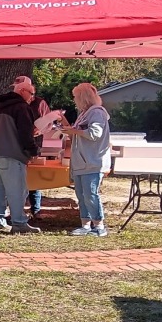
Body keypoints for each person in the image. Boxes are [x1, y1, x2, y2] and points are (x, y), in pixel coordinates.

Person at [0, 75, 41, 234]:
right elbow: (24, 134)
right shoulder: (22, 108)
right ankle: (19, 222)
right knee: (17, 190)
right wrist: (33, 150)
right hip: (12, 154)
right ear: (23, 91)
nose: (32, 97)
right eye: (31, 93)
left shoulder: (1, 106)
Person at [63, 82, 112, 237]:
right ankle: (85, 225)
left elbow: (94, 134)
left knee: (91, 194)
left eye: (76, 97)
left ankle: (99, 226)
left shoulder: (97, 112)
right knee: (81, 195)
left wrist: (75, 130)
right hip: (80, 162)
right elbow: (76, 133)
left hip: (92, 162)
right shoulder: (84, 113)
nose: (74, 100)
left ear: (83, 97)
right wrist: (65, 125)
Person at [27, 91, 52, 217]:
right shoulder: (16, 104)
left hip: (35, 143)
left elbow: (49, 123)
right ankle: (18, 209)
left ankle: (35, 208)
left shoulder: (40, 103)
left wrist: (40, 130)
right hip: (19, 145)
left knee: (34, 176)